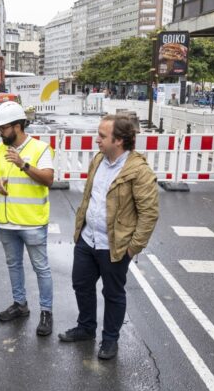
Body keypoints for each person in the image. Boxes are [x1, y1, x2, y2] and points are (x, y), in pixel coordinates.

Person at [59, 115, 159, 360]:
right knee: (81, 285)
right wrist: (80, 229)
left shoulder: (139, 171)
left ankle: (110, 340)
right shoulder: (98, 160)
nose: (97, 140)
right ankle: (86, 328)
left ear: (120, 140)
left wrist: (133, 247)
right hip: (87, 239)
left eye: (102, 136)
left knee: (113, 294)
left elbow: (149, 213)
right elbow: (89, 197)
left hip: (115, 245)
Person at [0, 101, 55, 336]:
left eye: (3, 128)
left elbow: (48, 179)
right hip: (6, 222)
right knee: (13, 265)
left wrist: (23, 164)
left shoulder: (40, 149)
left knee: (41, 268)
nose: (0, 132)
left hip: (32, 222)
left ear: (17, 126)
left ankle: (46, 311)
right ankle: (20, 304)